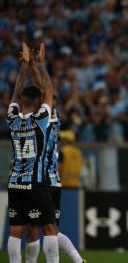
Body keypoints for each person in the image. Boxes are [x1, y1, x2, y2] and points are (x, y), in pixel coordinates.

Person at [24, 44, 86, 263]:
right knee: (46, 227)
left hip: (40, 179)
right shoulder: (53, 117)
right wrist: (35, 66)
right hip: (51, 179)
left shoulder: (41, 118)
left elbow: (44, 89)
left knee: (40, 227)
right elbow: (45, 89)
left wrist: (35, 65)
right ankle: (79, 261)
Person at [7, 42, 59, 263]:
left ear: (20, 103)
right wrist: (40, 63)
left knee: (16, 230)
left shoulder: (11, 120)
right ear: (38, 104)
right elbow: (49, 90)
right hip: (36, 183)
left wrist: (24, 67)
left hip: (15, 182)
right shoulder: (40, 121)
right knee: (49, 227)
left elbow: (16, 94)